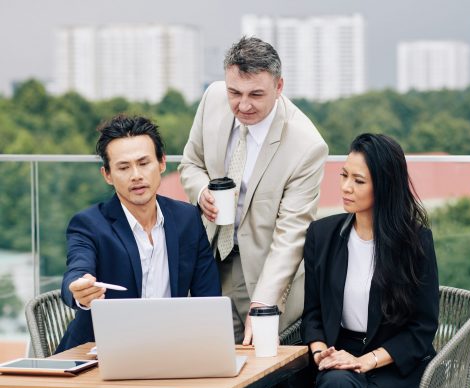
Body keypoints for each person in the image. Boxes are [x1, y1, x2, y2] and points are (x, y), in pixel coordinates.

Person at [178, 36, 328, 344]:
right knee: (208, 364)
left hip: (264, 275)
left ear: (279, 86)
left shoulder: (307, 146)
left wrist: (264, 303)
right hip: (208, 263)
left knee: (263, 377)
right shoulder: (212, 98)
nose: (243, 104)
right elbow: (190, 164)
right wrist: (202, 190)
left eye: (256, 94)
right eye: (235, 92)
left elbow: (292, 234)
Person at [56, 114, 220, 354]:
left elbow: (209, 299)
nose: (136, 175)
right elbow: (78, 269)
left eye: (144, 163)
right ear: (107, 175)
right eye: (123, 167)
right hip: (97, 354)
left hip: (170, 352)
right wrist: (80, 290)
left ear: (162, 163)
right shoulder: (89, 224)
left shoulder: (188, 220)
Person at [301, 133, 439, 388]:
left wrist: (367, 361)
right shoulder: (322, 235)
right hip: (338, 357)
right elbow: (313, 313)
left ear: (385, 186)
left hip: (394, 366)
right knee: (338, 385)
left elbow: (421, 329)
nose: (346, 187)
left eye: (359, 181)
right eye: (343, 176)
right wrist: (320, 354)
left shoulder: (415, 242)